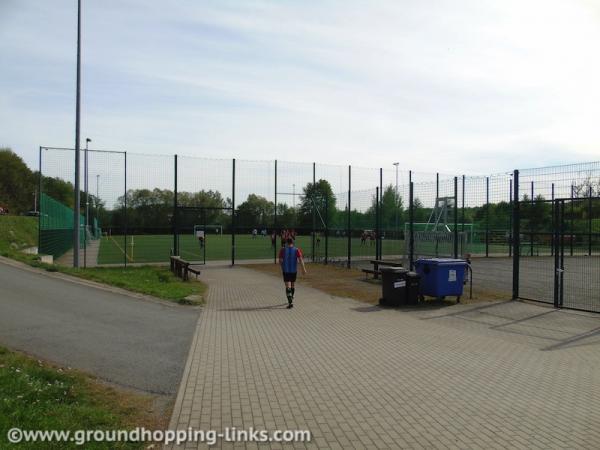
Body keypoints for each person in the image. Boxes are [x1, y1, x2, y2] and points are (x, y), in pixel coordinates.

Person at [278, 238, 306, 309]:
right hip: (294, 271)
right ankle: (291, 298)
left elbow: (280, 261)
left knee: (288, 286)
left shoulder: (283, 250)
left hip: (286, 270)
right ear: (293, 243)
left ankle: (290, 302)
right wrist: (303, 269)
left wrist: (282, 267)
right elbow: (300, 260)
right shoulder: (296, 250)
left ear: (287, 243)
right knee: (292, 285)